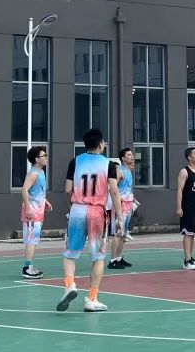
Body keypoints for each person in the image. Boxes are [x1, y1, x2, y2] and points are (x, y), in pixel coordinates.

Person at [57, 128, 122, 313]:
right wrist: (119, 216)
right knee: (98, 256)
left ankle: (70, 285)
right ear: (101, 144)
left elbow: (67, 189)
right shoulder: (108, 164)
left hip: (77, 209)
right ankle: (92, 299)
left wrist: (74, 206)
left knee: (70, 253)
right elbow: (114, 191)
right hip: (97, 212)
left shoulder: (75, 161)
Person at [21, 146, 51, 278]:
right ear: (36, 159)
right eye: (44, 156)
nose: (46, 158)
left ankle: (30, 266)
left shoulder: (41, 172)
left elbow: (37, 191)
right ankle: (27, 268)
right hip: (32, 213)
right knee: (31, 240)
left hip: (38, 212)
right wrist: (28, 208)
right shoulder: (33, 174)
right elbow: (24, 190)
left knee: (34, 240)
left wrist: (45, 201)